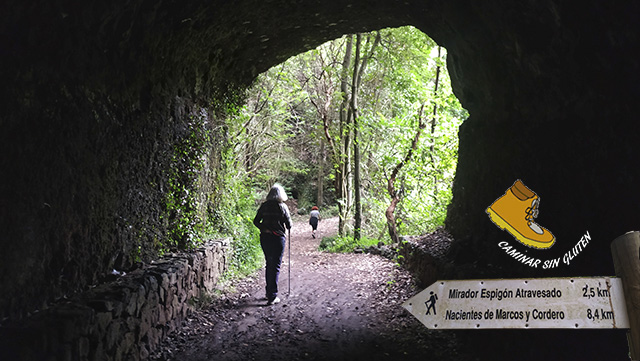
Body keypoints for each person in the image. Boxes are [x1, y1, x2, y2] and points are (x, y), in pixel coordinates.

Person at [253, 184, 292, 305]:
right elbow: (289, 224)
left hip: (265, 237)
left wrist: (264, 228)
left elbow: (256, 221)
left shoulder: (264, 206)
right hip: (278, 238)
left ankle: (268, 292)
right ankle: (272, 296)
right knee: (275, 266)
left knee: (268, 264)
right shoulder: (282, 207)